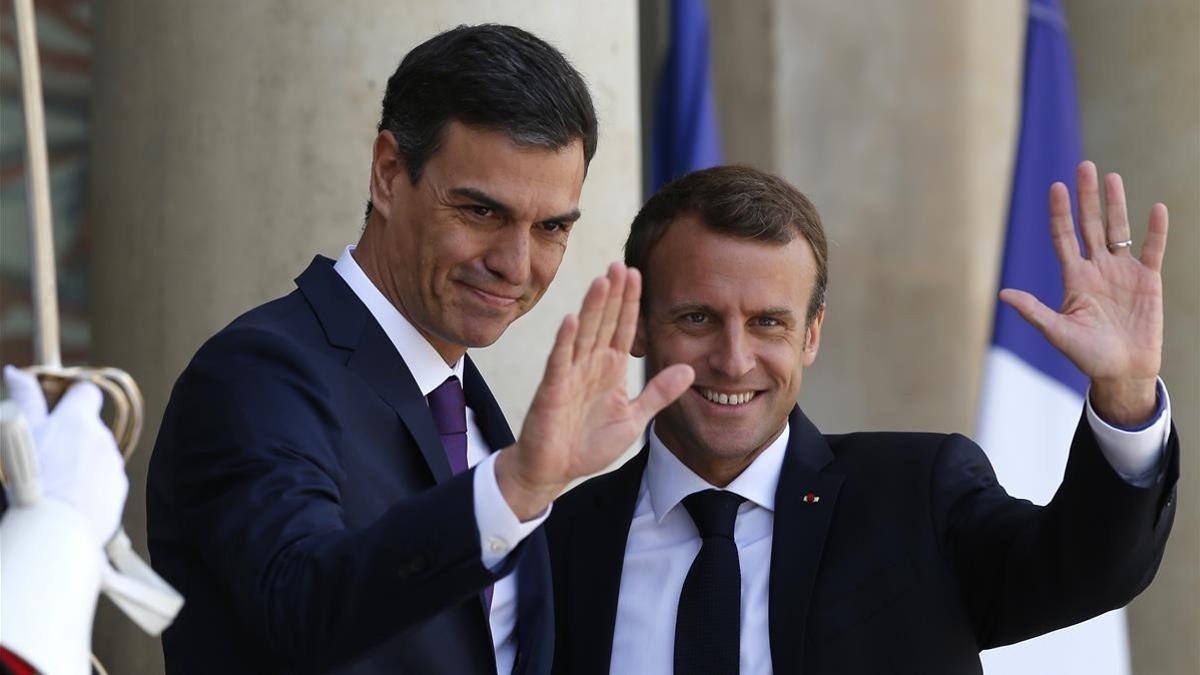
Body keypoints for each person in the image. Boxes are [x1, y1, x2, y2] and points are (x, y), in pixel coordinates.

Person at [147, 24, 692, 674]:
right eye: (481, 212)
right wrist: (515, 487)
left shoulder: (469, 404)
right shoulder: (257, 374)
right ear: (387, 175)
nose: (515, 265)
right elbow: (301, 605)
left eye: (549, 227)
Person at [545, 164, 1178, 674]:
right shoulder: (556, 545)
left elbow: (1090, 567)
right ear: (635, 325)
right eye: (697, 318)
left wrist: (1124, 394)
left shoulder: (918, 497)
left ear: (811, 336)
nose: (734, 361)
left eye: (768, 322)